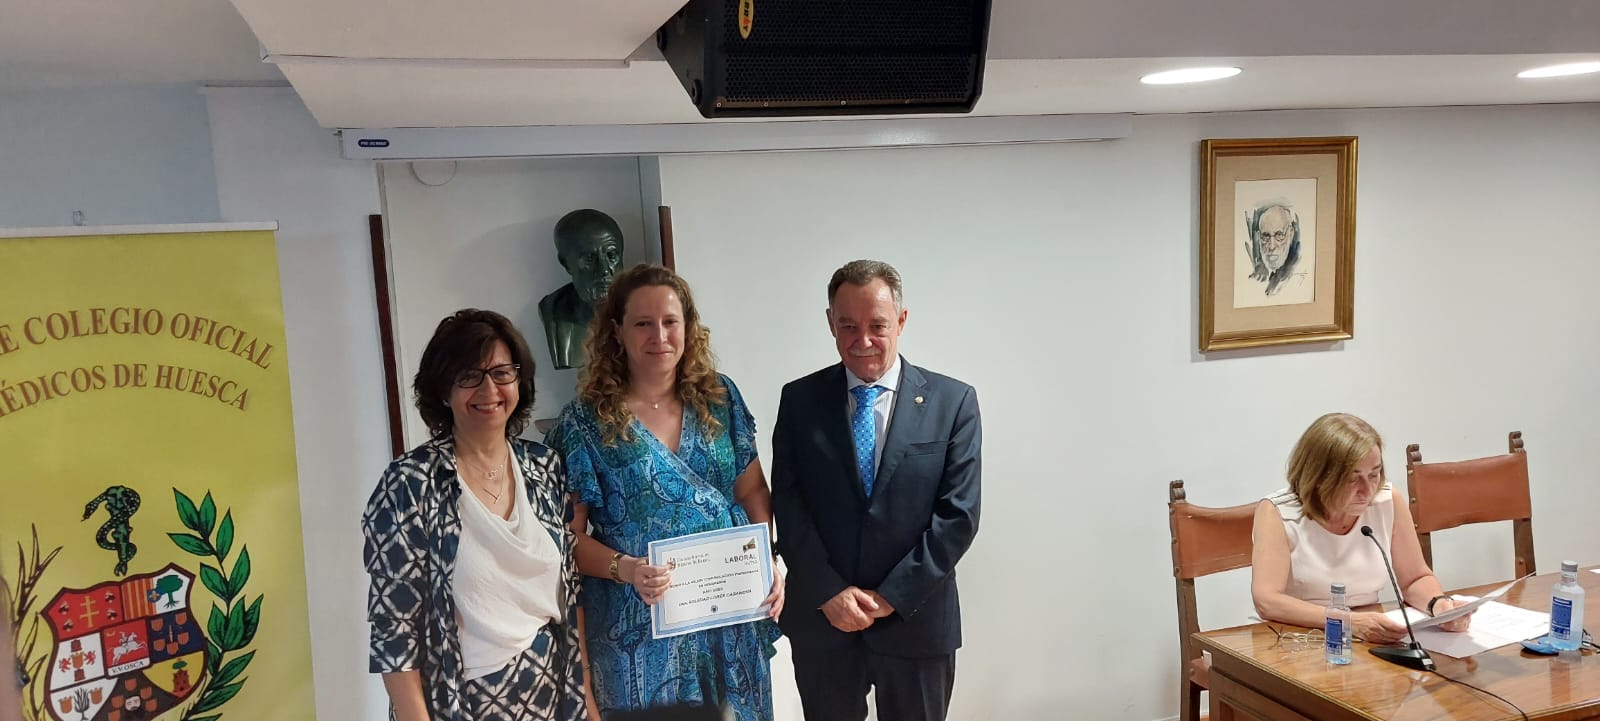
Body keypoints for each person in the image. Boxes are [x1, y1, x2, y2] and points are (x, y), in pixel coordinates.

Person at [545, 264, 785, 721]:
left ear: (688, 328)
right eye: (643, 323)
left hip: (728, 620)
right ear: (617, 332)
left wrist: (765, 561)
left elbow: (752, 489)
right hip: (636, 632)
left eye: (670, 321)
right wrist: (625, 567)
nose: (659, 336)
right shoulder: (584, 422)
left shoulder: (720, 398)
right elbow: (564, 539)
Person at [773, 259, 982, 721]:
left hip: (916, 620)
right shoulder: (799, 400)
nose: (863, 340)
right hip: (824, 622)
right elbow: (788, 504)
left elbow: (958, 516)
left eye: (878, 325)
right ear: (830, 322)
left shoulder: (953, 403)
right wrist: (828, 592)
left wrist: (891, 595)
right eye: (848, 325)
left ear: (901, 321)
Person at [362, 309, 585, 721]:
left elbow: (569, 593)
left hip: (552, 698)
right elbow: (394, 631)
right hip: (459, 705)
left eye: (501, 373)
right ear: (443, 389)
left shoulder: (544, 466)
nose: (489, 389)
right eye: (469, 376)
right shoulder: (410, 483)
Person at [1251, 412, 1472, 644]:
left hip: (1369, 635)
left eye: (1374, 474)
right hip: (1298, 638)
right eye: (1352, 478)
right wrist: (1348, 621)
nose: (1367, 490)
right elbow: (1267, 601)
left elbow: (1414, 579)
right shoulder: (1276, 512)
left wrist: (1439, 605)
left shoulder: (1387, 501)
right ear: (1319, 476)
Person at [539, 209, 626, 370]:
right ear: (566, 263)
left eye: (611, 255)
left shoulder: (643, 308)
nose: (604, 270)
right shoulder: (554, 311)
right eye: (589, 258)